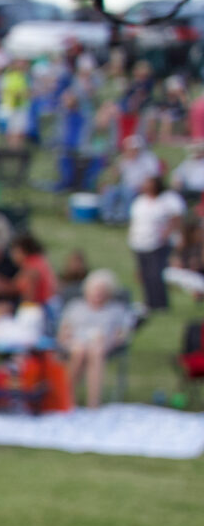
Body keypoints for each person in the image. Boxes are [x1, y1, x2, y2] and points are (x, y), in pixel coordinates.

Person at [56, 268, 136, 408]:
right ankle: (67, 397)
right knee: (79, 351)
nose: (98, 293)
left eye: (102, 290)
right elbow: (63, 331)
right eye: (95, 289)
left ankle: (93, 402)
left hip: (103, 343)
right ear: (87, 290)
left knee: (95, 351)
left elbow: (124, 332)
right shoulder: (76, 307)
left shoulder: (116, 310)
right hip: (76, 342)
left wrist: (115, 337)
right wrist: (68, 337)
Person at [127, 169, 183, 312]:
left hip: (156, 244)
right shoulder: (139, 201)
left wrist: (166, 234)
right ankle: (149, 302)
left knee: (156, 275)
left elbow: (175, 219)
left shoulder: (164, 202)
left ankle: (161, 304)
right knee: (144, 275)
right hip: (139, 242)